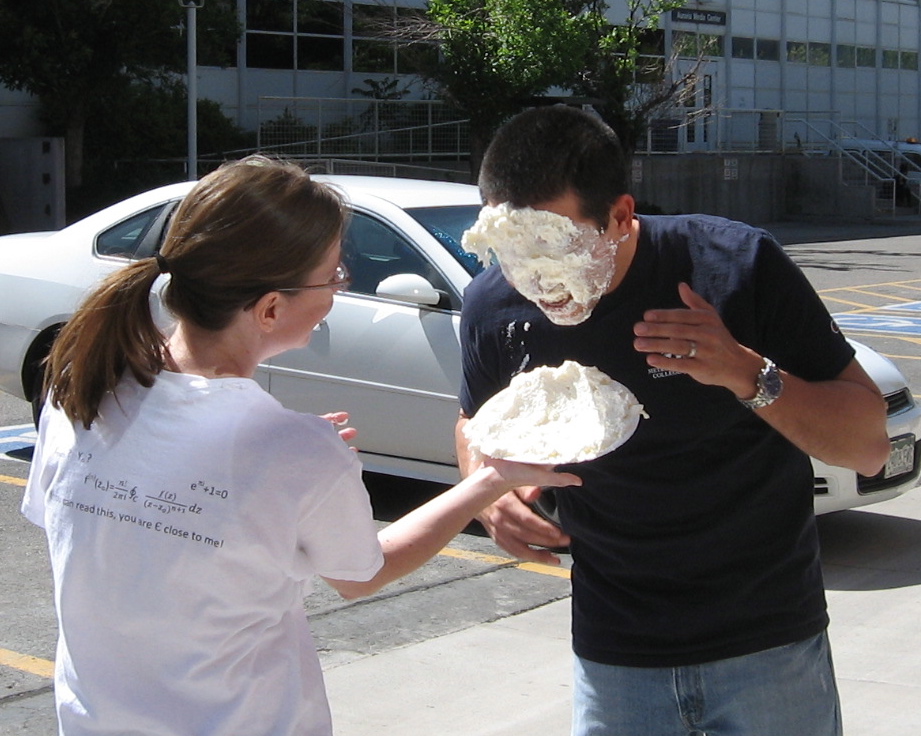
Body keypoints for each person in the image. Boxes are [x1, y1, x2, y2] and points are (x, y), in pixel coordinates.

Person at [21, 156, 580, 736]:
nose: (341, 288)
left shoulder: (78, 389)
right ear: (269, 308)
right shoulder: (290, 448)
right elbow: (360, 574)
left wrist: (294, 462)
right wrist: (490, 481)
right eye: (336, 276)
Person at [454, 106, 890, 736]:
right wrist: (488, 497)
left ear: (622, 216)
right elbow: (473, 420)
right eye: (515, 257)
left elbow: (871, 444)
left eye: (559, 251)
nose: (539, 286)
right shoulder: (495, 306)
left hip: (768, 644)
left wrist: (747, 373)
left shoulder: (736, 268)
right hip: (614, 655)